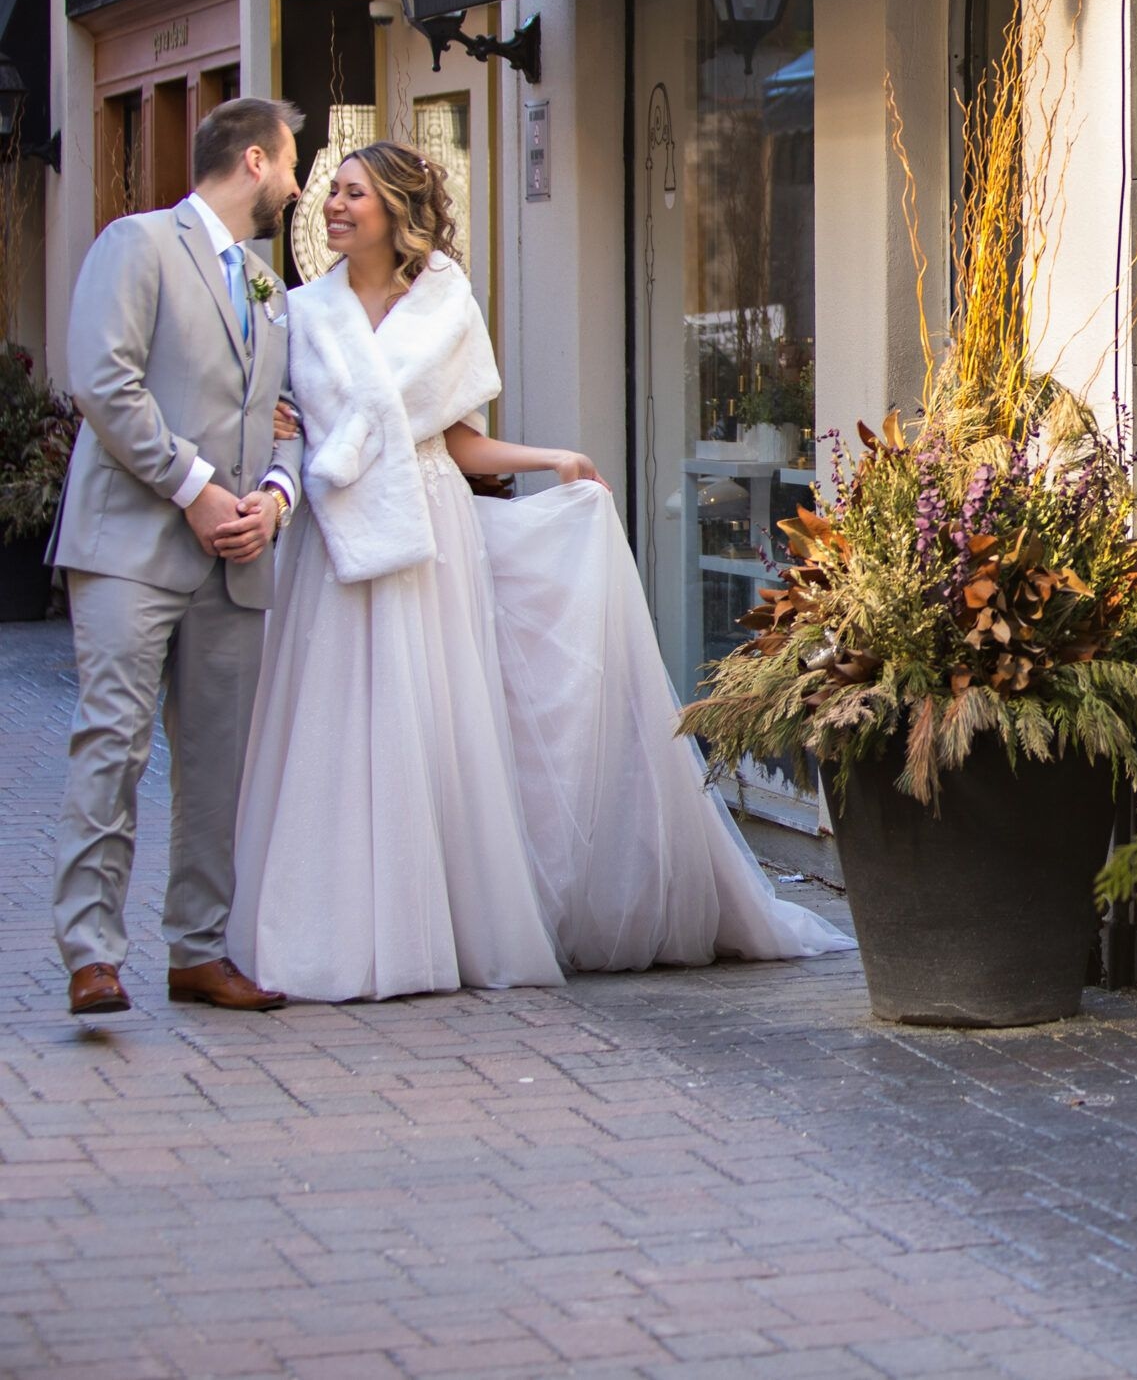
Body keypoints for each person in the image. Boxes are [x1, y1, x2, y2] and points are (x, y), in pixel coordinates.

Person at [227, 142, 850, 1002]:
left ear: (396, 211)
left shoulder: (445, 306)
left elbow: (458, 440)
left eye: (352, 193)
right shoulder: (303, 314)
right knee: (336, 724)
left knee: (428, 723)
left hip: (426, 523)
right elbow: (290, 433)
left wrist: (552, 457)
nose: (332, 205)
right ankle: (328, 927)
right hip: (334, 537)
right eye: (329, 191)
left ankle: (432, 926)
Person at [49, 98, 307, 1016]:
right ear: (251, 161)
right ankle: (91, 952)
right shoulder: (139, 243)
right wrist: (196, 486)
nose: (296, 181)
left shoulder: (271, 290)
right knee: (112, 743)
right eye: (290, 163)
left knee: (216, 763)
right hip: (130, 544)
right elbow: (104, 381)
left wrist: (273, 501)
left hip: (236, 557)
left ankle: (198, 949)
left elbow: (289, 422)